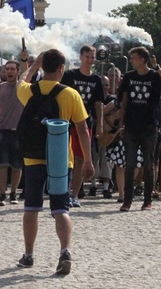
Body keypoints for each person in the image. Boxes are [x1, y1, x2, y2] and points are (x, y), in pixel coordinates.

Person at [16, 50, 94, 276]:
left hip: (33, 156)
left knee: (31, 207)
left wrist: (33, 66)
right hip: (61, 158)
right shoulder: (71, 94)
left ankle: (29, 254)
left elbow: (21, 80)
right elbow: (82, 130)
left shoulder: (29, 91)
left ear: (44, 67)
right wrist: (87, 160)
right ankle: (65, 251)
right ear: (61, 68)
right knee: (61, 207)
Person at [116, 47, 161, 212]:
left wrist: (157, 67)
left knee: (148, 164)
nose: (131, 60)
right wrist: (121, 123)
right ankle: (127, 200)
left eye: (133, 58)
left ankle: (147, 200)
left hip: (149, 126)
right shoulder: (129, 77)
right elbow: (124, 100)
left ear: (142, 59)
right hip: (132, 126)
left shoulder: (154, 76)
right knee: (130, 164)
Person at [61, 45, 104, 207]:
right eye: (87, 57)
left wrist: (100, 124)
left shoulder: (96, 80)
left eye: (92, 57)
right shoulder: (69, 75)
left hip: (86, 124)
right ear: (81, 57)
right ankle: (63, 192)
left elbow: (99, 104)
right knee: (66, 160)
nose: (90, 60)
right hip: (68, 123)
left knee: (81, 159)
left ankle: (75, 194)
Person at [0, 59, 25, 206]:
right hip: (2, 129)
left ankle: (13, 193)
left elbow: (28, 72)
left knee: (17, 165)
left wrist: (24, 59)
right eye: (7, 69)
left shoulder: (23, 87)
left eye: (12, 69)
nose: (9, 71)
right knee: (2, 164)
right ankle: (2, 194)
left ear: (18, 71)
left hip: (19, 130)